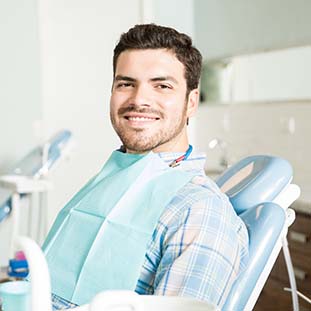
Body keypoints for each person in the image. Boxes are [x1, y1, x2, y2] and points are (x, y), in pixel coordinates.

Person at [49, 24, 249, 310]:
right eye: (126, 83)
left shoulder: (199, 211)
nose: (139, 100)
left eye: (162, 86)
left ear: (191, 102)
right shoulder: (111, 178)